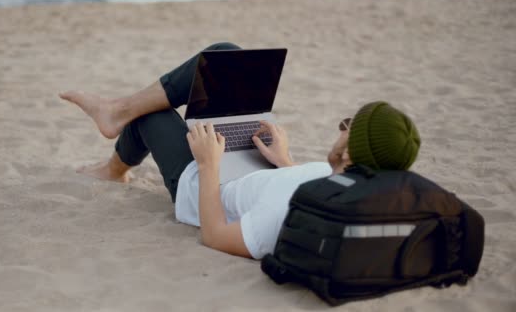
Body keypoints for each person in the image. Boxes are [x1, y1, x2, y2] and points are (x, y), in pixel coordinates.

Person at [59, 42, 421, 259]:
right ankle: (117, 118)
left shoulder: (285, 215)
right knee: (224, 55)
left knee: (152, 116)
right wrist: (284, 162)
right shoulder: (348, 183)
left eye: (348, 127)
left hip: (205, 185)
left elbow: (214, 235)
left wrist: (209, 165)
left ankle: (114, 164)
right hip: (255, 168)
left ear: (354, 148)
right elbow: (297, 186)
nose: (340, 128)